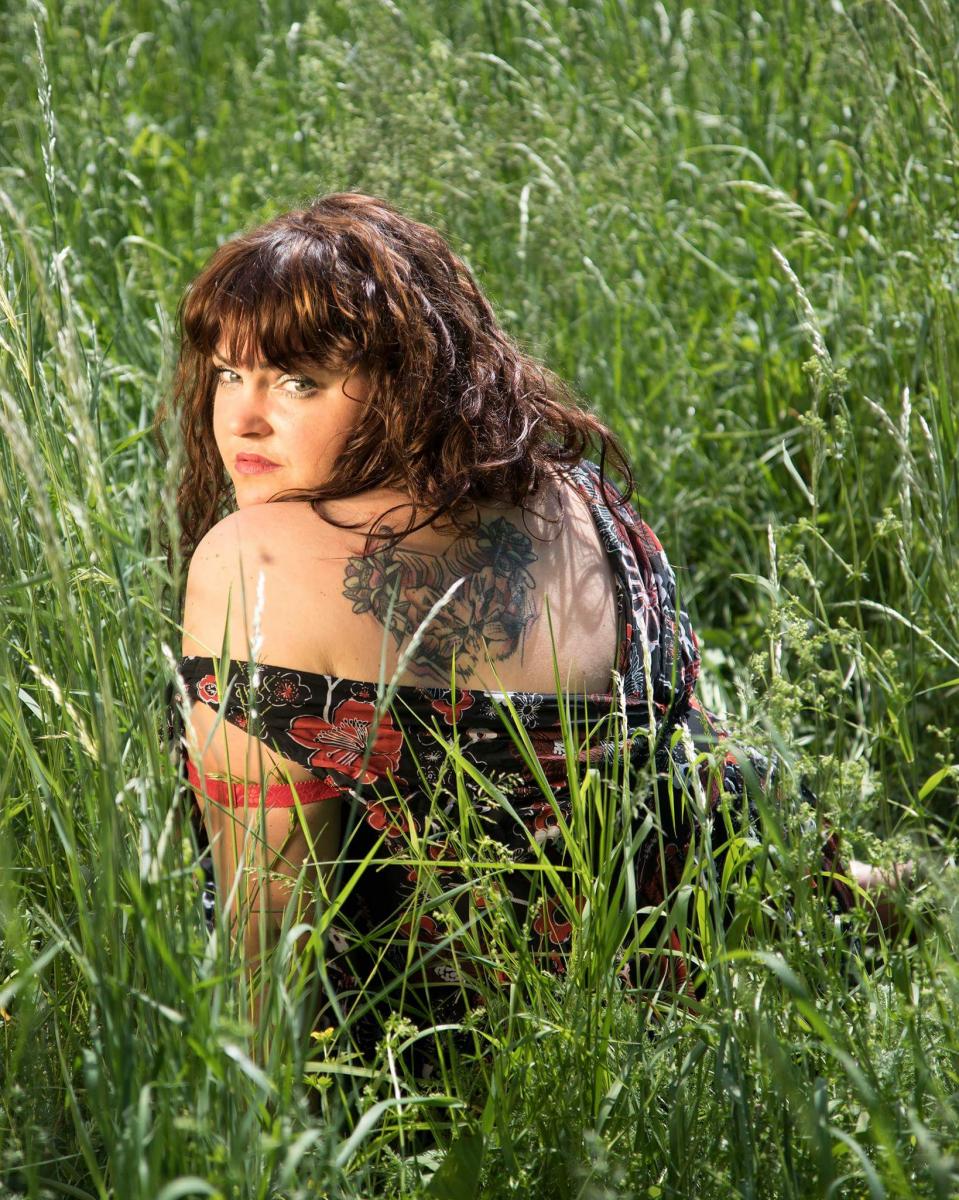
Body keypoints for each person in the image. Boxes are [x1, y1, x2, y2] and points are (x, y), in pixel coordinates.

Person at [159, 192, 899, 1056]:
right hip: (693, 951)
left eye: (299, 382)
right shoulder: (583, 497)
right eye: (227, 374)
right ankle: (886, 894)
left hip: (450, 1040)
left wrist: (242, 1112)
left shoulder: (253, 559)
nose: (242, 419)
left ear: (404, 382)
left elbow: (267, 924)